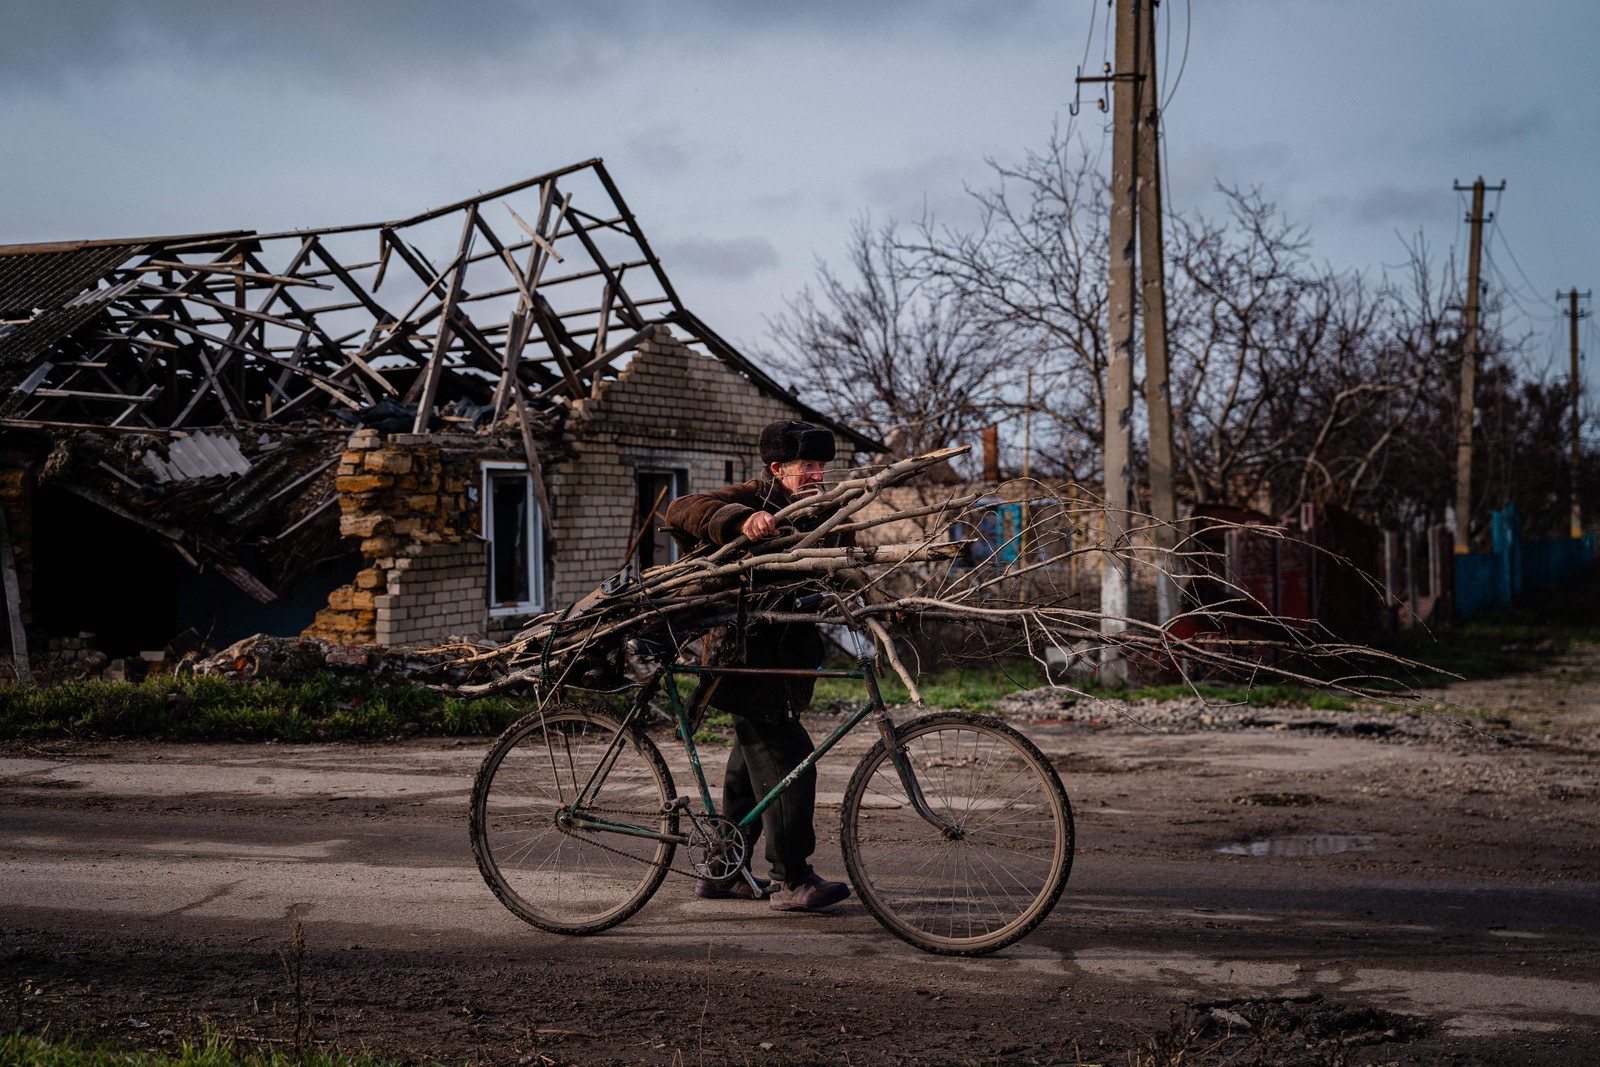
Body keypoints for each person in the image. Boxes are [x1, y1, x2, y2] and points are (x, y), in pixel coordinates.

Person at [664, 420, 853, 912]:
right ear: (777, 468)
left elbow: (847, 555)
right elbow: (682, 508)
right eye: (806, 467)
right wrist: (739, 521)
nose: (816, 474)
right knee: (791, 763)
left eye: (820, 467)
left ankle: (723, 872)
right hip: (745, 658)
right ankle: (793, 878)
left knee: (750, 771)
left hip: (784, 665)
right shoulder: (754, 496)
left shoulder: (820, 511)